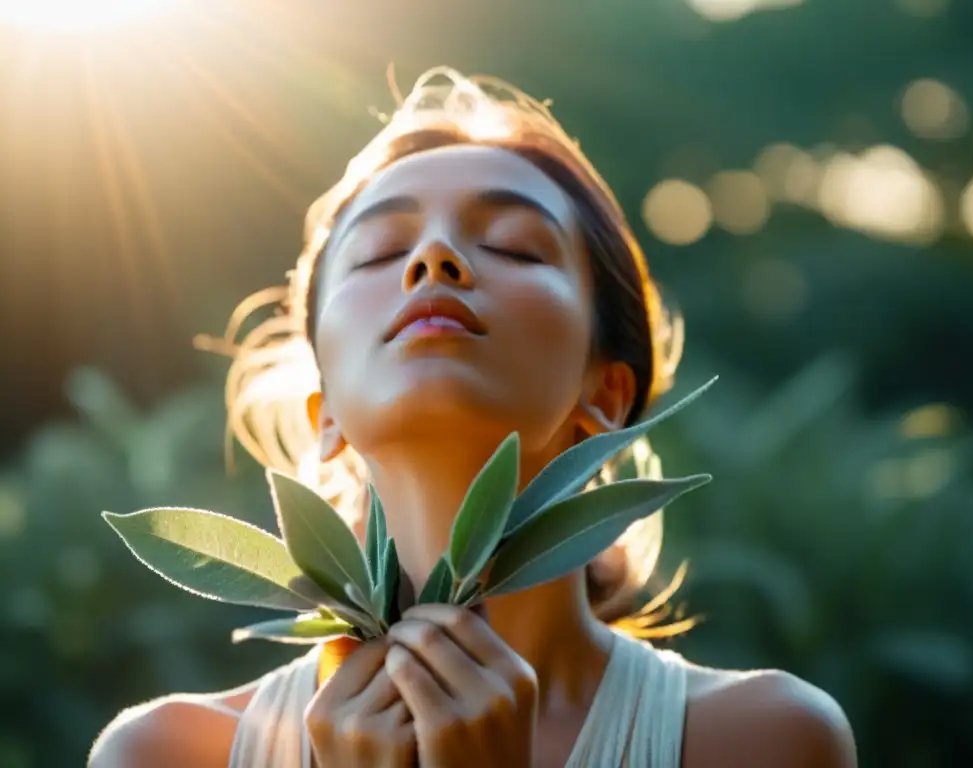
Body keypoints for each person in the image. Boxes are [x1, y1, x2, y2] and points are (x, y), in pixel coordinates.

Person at [89, 67, 857, 767]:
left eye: (516, 248)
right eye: (381, 251)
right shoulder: (165, 753)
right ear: (325, 416)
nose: (434, 258)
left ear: (608, 399)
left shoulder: (762, 740)